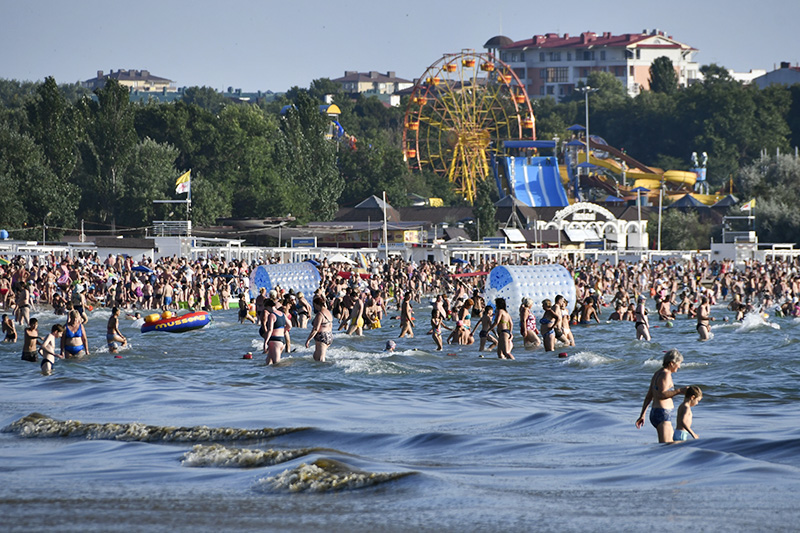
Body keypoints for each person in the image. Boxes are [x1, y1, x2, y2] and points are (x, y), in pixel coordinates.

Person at [635, 349, 687, 443]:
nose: (679, 366)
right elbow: (661, 394)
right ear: (672, 363)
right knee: (666, 447)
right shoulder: (665, 374)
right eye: (678, 363)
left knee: (671, 444)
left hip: (657, 413)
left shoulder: (657, 373)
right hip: (663, 414)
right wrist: (680, 391)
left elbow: (649, 395)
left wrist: (642, 414)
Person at [263, 298, 290, 365]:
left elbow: (270, 330)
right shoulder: (282, 314)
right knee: (268, 361)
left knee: (276, 364)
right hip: (282, 340)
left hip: (275, 340)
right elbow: (290, 325)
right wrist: (284, 330)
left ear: (268, 306)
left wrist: (265, 342)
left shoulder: (271, 315)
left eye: (266, 308)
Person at [305, 296, 333, 362]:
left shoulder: (320, 314)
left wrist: (308, 340)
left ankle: (323, 371)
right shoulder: (328, 312)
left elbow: (316, 329)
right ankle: (317, 372)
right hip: (329, 335)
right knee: (316, 356)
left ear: (317, 305)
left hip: (322, 337)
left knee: (321, 359)